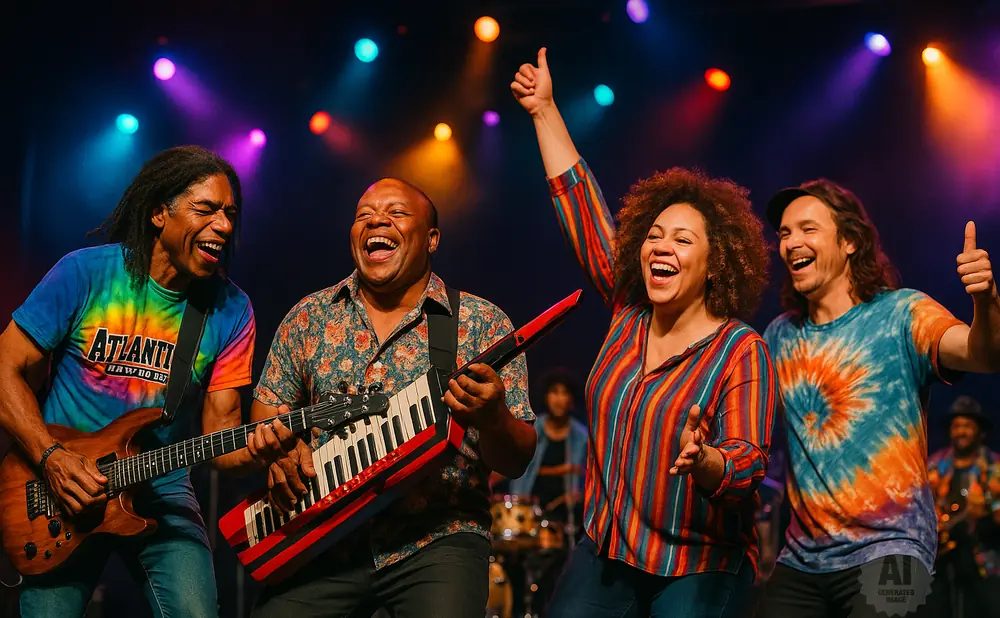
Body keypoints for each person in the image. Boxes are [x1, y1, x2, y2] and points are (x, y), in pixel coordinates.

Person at [511, 48, 778, 617]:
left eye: (683, 240)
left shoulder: (740, 349)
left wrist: (708, 463)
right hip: (607, 549)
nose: (662, 247)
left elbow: (749, 460)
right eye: (655, 235)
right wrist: (544, 110)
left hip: (699, 561)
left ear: (716, 264)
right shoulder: (629, 309)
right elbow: (581, 203)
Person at [246, 177, 536, 618]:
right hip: (322, 540)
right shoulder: (309, 317)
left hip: (438, 538)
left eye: (397, 213)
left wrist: (494, 417)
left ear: (432, 239)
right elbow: (266, 416)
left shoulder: (481, 323)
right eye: (364, 215)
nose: (377, 220)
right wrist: (281, 454)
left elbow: (515, 460)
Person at [0, 146, 258, 618]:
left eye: (230, 214)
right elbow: (4, 367)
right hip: (56, 485)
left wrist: (269, 444)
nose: (223, 225)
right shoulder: (86, 272)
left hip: (160, 482)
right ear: (160, 212)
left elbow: (223, 436)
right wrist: (51, 456)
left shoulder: (230, 308)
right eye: (206, 209)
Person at [756, 178, 1000, 617]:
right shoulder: (778, 336)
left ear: (849, 241)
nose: (792, 242)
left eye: (808, 229)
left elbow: (985, 355)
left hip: (893, 547)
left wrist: (988, 302)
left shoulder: (902, 312)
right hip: (802, 560)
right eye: (785, 234)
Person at [923, 395, 1000, 617]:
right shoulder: (935, 465)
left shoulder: (995, 467)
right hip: (941, 563)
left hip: (983, 563)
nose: (961, 431)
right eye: (956, 426)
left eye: (967, 426)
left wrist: (989, 512)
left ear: (980, 431)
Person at [506, 367, 587, 523]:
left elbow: (584, 478)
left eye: (564, 393)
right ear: (545, 396)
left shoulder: (581, 436)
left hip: (567, 517)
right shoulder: (532, 430)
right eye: (554, 392)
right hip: (528, 511)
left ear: (572, 400)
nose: (559, 399)